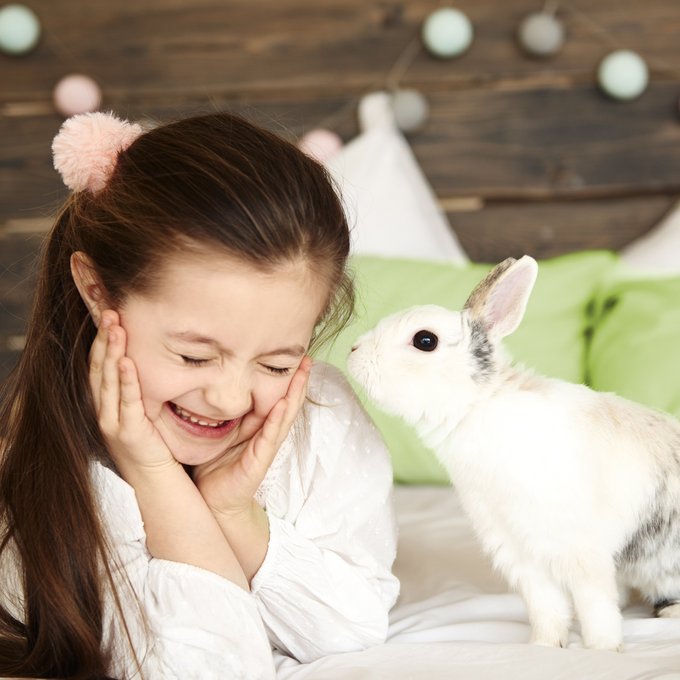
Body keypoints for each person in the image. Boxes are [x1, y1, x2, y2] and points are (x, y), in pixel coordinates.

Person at [0, 110, 399, 679]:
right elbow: (209, 665)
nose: (232, 400)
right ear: (95, 290)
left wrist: (233, 513)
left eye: (275, 362)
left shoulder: (321, 415)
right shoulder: (51, 464)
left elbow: (350, 627)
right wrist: (155, 476)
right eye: (194, 356)